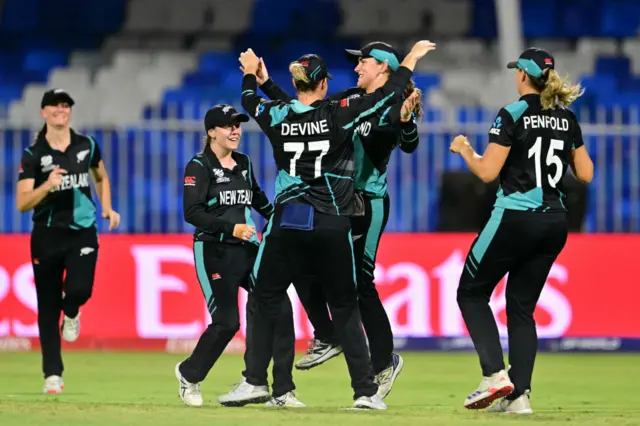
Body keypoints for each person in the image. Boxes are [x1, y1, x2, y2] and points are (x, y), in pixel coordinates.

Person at [223, 41, 435, 410]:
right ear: (323, 85)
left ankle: (261, 381)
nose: (356, 69)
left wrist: (253, 77)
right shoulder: (340, 112)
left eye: (363, 62)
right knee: (345, 301)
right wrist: (411, 62)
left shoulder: (282, 114)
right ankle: (364, 389)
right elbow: (381, 95)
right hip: (335, 215)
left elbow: (253, 101)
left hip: (305, 214)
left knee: (267, 294)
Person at [449, 47, 594, 414]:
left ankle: (495, 374)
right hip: (554, 222)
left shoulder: (512, 113)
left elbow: (486, 173)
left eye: (517, 72)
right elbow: (587, 174)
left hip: (515, 216)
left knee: (471, 292)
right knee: (521, 308)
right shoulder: (567, 118)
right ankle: (519, 397)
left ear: (523, 77)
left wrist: (465, 150)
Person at [174, 104, 297, 407]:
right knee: (227, 323)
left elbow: (256, 196)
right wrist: (231, 229)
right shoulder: (198, 166)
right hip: (213, 250)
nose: (235, 131)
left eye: (238, 125)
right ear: (211, 132)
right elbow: (192, 213)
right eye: (228, 126)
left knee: (280, 307)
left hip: (247, 249)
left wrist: (277, 221)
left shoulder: (243, 162)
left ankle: (282, 391)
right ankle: (189, 375)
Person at [16, 88, 121, 394]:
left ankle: (72, 310)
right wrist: (47, 186)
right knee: (48, 307)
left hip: (82, 230)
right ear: (43, 112)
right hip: (47, 234)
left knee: (79, 289)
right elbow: (22, 203)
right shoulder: (33, 154)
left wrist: (107, 206)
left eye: (65, 106)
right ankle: (52, 374)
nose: (61, 110)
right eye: (55, 106)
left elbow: (100, 177)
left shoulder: (86, 144)